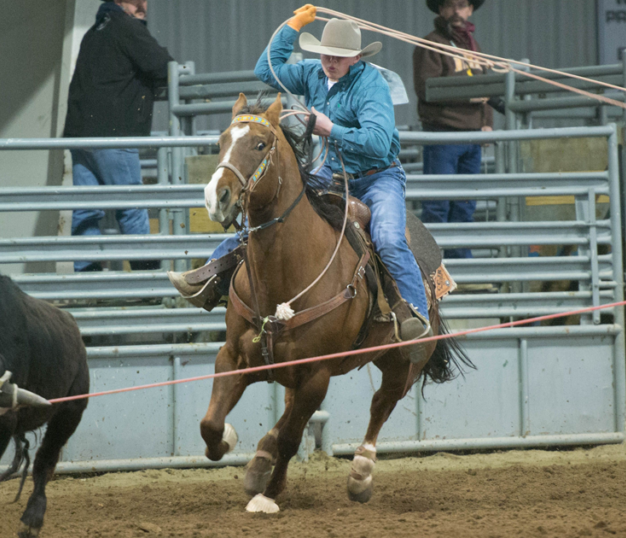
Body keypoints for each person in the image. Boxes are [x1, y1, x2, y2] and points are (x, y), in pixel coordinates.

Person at [169, 6, 434, 361]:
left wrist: (330, 129)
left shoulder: (371, 85)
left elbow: (378, 143)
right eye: (326, 54)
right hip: (331, 173)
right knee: (273, 215)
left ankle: (414, 315)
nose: (330, 62)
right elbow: (266, 69)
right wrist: (293, 26)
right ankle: (212, 275)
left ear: (356, 57)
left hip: (377, 178)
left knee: (387, 236)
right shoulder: (312, 73)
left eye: (339, 57)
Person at [63, 0, 172, 272]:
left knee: (86, 211)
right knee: (131, 208)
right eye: (136, 1)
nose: (142, 6)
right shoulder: (126, 28)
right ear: (120, 2)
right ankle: (146, 280)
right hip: (113, 135)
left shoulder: (95, 31)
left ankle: (88, 284)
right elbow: (164, 66)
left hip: (80, 137)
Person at [413, 0, 501, 259]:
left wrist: (487, 122)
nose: (456, 12)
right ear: (441, 10)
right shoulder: (430, 44)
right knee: (438, 205)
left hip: (472, 135)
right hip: (443, 134)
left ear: (470, 10)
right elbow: (426, 88)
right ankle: (435, 268)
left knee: (465, 205)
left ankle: (462, 265)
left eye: (462, 5)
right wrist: (468, 94)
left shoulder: (474, 48)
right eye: (450, 5)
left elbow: (485, 88)